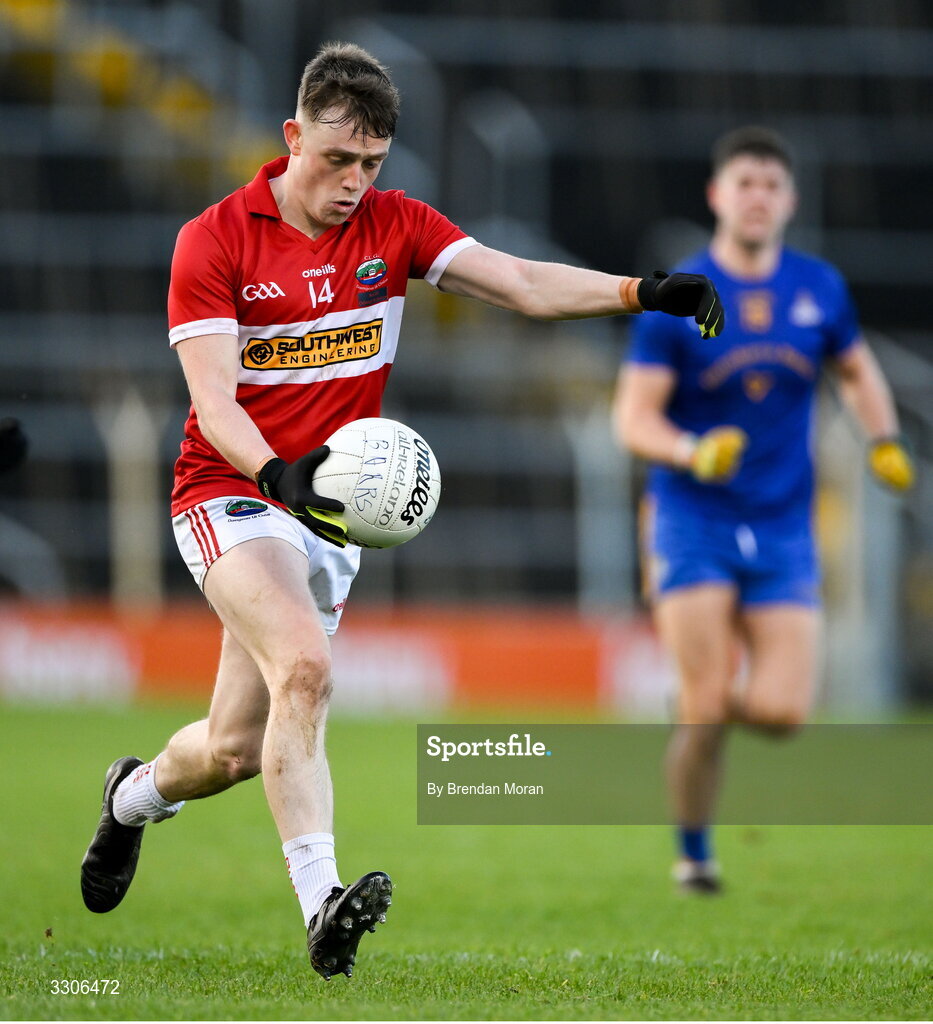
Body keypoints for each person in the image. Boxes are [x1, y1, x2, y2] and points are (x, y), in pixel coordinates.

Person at [80, 42, 724, 978]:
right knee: (306, 670)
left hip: (323, 516)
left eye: (371, 165)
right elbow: (214, 406)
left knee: (231, 751)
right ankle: (321, 907)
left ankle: (132, 798)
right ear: (292, 136)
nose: (353, 183)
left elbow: (519, 283)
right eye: (336, 160)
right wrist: (278, 475)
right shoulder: (214, 239)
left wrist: (642, 292)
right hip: (230, 491)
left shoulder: (396, 226)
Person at [613, 126, 914, 894]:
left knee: (781, 714)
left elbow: (855, 368)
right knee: (709, 705)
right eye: (743, 183)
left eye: (771, 186)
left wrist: (880, 438)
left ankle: (694, 705)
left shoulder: (817, 288)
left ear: (789, 201)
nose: (757, 197)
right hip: (691, 518)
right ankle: (692, 856)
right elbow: (632, 419)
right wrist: (689, 451)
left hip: (783, 523)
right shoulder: (679, 295)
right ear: (717, 195)